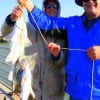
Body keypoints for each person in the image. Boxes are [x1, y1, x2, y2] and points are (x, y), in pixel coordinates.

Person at [17, 0, 100, 100]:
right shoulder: (72, 23)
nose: (90, 1)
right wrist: (28, 4)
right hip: (76, 94)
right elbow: (48, 23)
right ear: (82, 2)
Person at [1, 0, 67, 100]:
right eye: (48, 6)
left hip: (54, 91)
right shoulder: (27, 26)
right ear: (43, 9)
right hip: (31, 87)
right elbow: (4, 33)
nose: (52, 8)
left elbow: (66, 60)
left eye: (55, 6)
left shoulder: (64, 31)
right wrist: (11, 19)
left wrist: (57, 55)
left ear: (59, 9)